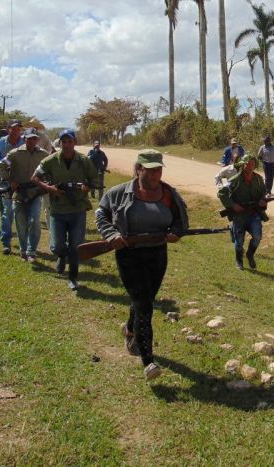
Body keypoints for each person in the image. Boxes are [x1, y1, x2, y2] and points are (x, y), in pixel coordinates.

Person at [96, 149, 189, 382]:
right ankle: (148, 361)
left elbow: (181, 220)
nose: (156, 173)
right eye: (150, 169)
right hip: (128, 254)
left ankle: (129, 329)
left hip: (157, 253)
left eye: (158, 168)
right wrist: (111, 235)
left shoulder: (169, 193)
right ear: (139, 169)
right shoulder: (119, 193)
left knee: (145, 298)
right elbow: (102, 213)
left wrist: (176, 233)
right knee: (144, 305)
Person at [32, 129, 98, 289]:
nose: (67, 145)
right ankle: (61, 256)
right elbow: (34, 178)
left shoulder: (84, 160)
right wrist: (50, 188)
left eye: (70, 141)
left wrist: (87, 187)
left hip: (77, 209)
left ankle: (73, 278)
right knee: (57, 246)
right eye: (64, 142)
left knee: (76, 246)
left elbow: (94, 179)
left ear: (74, 143)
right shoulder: (50, 160)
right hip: (58, 210)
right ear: (59, 143)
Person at [0, 128, 48, 262]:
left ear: (37, 139)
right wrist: (10, 181)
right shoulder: (14, 154)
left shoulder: (44, 155)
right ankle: (23, 250)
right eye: (29, 138)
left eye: (34, 138)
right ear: (24, 139)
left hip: (36, 194)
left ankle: (31, 251)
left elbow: (51, 169)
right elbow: (0, 166)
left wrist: (46, 184)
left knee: (34, 221)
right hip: (18, 194)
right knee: (21, 224)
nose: (31, 141)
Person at [218, 154, 267, 271]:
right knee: (239, 241)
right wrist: (233, 205)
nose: (250, 166)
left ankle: (250, 255)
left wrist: (263, 201)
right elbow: (222, 193)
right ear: (242, 165)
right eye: (248, 163)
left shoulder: (259, 180)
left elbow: (263, 194)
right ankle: (239, 261)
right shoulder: (234, 180)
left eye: (253, 164)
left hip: (253, 214)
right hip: (239, 216)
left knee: (257, 236)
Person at [0, 120, 25, 255]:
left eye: (18, 129)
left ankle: (24, 244)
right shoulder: (1, 144)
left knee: (22, 214)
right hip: (6, 182)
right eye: (13, 128)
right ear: (8, 129)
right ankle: (6, 242)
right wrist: (4, 166)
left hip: (22, 183)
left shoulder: (24, 143)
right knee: (7, 213)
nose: (16, 131)